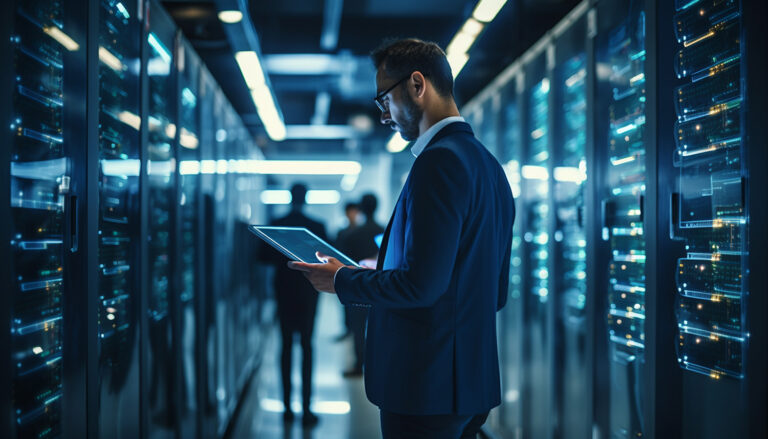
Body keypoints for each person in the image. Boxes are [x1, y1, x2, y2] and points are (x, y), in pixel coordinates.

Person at [288, 38, 515, 439]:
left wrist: (342, 278)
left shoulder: (438, 163)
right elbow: (494, 292)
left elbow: (421, 285)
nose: (384, 116)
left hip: (425, 388)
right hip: (470, 388)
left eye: (384, 100)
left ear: (416, 84)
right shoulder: (490, 168)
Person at [262, 183, 327, 427]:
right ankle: (307, 409)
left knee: (286, 346)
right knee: (307, 347)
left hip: (284, 292)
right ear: (306, 197)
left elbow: (262, 257)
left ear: (290, 197)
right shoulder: (317, 227)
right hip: (309, 292)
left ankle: (287, 408)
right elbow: (328, 260)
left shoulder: (277, 225)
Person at [339, 193, 384, 377]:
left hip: (358, 286)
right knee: (379, 328)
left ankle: (359, 366)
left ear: (361, 209)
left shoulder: (352, 234)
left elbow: (344, 262)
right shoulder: (385, 231)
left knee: (358, 329)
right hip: (381, 286)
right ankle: (379, 366)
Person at [334, 202, 360, 342]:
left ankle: (354, 331)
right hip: (343, 272)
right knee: (345, 304)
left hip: (358, 273)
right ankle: (348, 329)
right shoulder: (341, 232)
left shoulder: (360, 231)